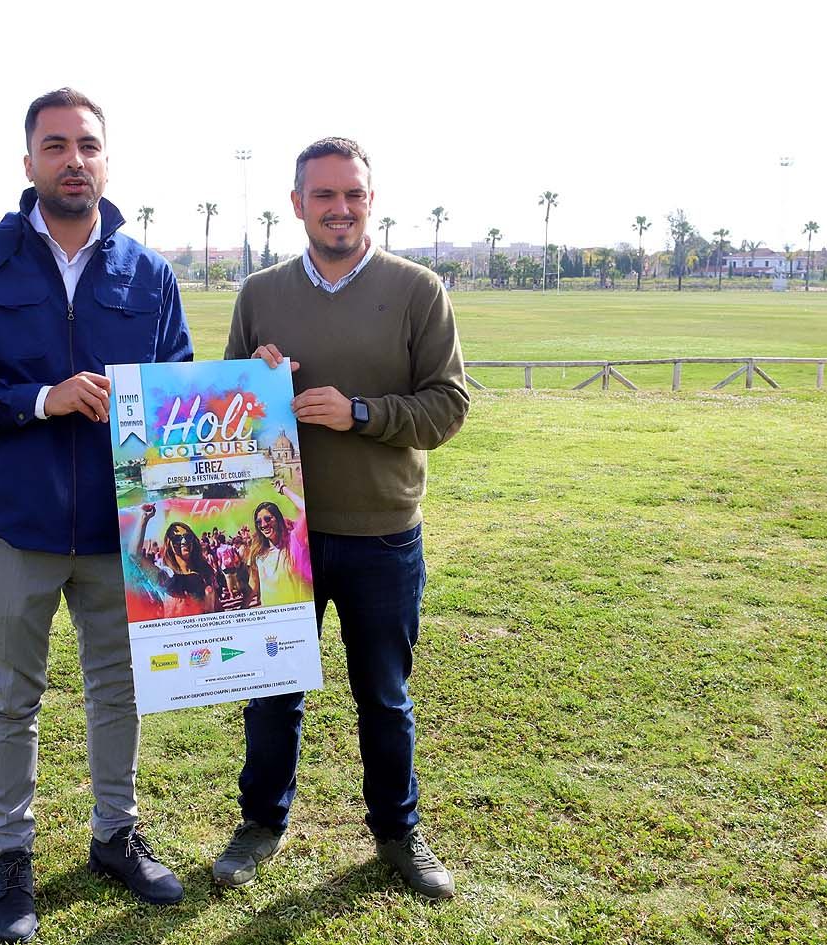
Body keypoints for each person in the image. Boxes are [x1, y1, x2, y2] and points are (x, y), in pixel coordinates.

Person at [0, 88, 192, 942]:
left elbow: (175, 386)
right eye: (56, 144)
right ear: (28, 159)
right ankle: (12, 862)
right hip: (14, 524)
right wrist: (40, 399)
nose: (75, 158)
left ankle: (115, 835)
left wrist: (241, 385)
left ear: (108, 160)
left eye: (89, 145)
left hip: (120, 531)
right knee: (12, 697)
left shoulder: (147, 273)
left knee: (121, 688)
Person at [215, 137, 469, 899]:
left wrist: (359, 412)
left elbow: (449, 404)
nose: (340, 208)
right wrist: (253, 381)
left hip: (383, 533)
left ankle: (398, 832)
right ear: (296, 204)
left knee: (384, 695)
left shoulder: (419, 289)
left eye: (352, 193)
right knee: (272, 692)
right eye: (323, 195)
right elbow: (226, 409)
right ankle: (261, 822)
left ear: (370, 199)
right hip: (281, 532)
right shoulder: (261, 292)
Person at [132, 506, 218, 617]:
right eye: (177, 539)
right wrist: (144, 518)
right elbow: (134, 554)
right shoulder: (168, 578)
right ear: (169, 545)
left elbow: (216, 608)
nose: (183, 541)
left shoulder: (206, 572)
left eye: (187, 537)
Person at [245, 479, 312, 607]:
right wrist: (241, 610)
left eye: (268, 519)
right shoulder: (258, 553)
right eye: (259, 522)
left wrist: (283, 489)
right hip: (272, 617)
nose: (263, 525)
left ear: (278, 519)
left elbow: (306, 510)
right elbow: (253, 586)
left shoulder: (294, 542)